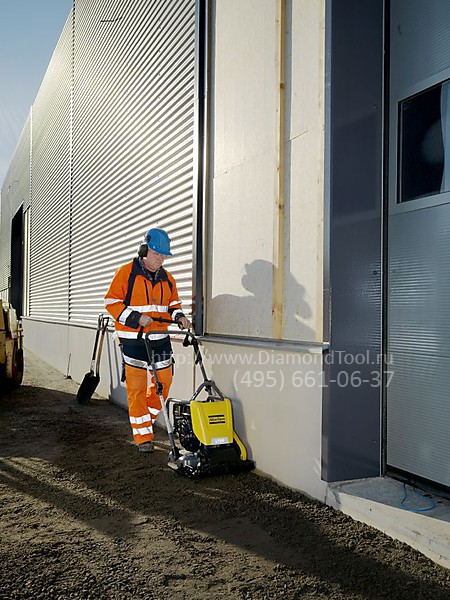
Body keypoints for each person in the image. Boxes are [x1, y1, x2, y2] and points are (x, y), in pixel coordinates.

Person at [104, 228, 190, 453]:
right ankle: (143, 437)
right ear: (144, 251)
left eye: (164, 256)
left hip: (160, 340)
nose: (160, 259)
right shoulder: (125, 273)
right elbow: (111, 303)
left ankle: (146, 418)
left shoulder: (168, 278)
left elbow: (173, 304)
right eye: (156, 254)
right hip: (133, 341)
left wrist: (180, 317)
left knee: (164, 382)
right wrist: (136, 318)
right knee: (137, 388)